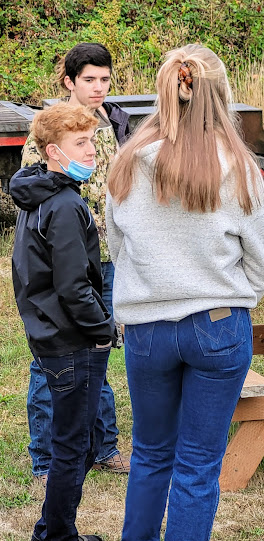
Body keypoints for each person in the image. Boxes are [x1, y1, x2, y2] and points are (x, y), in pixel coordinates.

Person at [106, 44, 264, 541]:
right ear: (220, 93)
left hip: (148, 326)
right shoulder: (240, 166)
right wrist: (229, 294)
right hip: (218, 323)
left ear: (162, 91)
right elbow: (261, 264)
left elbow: (117, 248)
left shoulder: (128, 161)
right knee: (199, 463)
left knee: (151, 455)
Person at [11, 102, 117, 541]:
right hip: (72, 342)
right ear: (53, 152)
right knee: (74, 446)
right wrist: (102, 330)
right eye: (81, 144)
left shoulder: (39, 194)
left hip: (50, 335)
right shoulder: (66, 204)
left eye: (92, 141)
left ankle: (50, 533)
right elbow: (74, 286)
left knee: (70, 440)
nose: (91, 151)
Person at [21, 42, 131, 482]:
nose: (98, 87)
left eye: (105, 79)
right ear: (69, 81)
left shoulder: (115, 121)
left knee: (98, 350)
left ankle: (103, 446)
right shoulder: (48, 130)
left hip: (109, 258)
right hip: (65, 261)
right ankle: (46, 457)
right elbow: (31, 188)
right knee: (51, 358)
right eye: (89, 79)